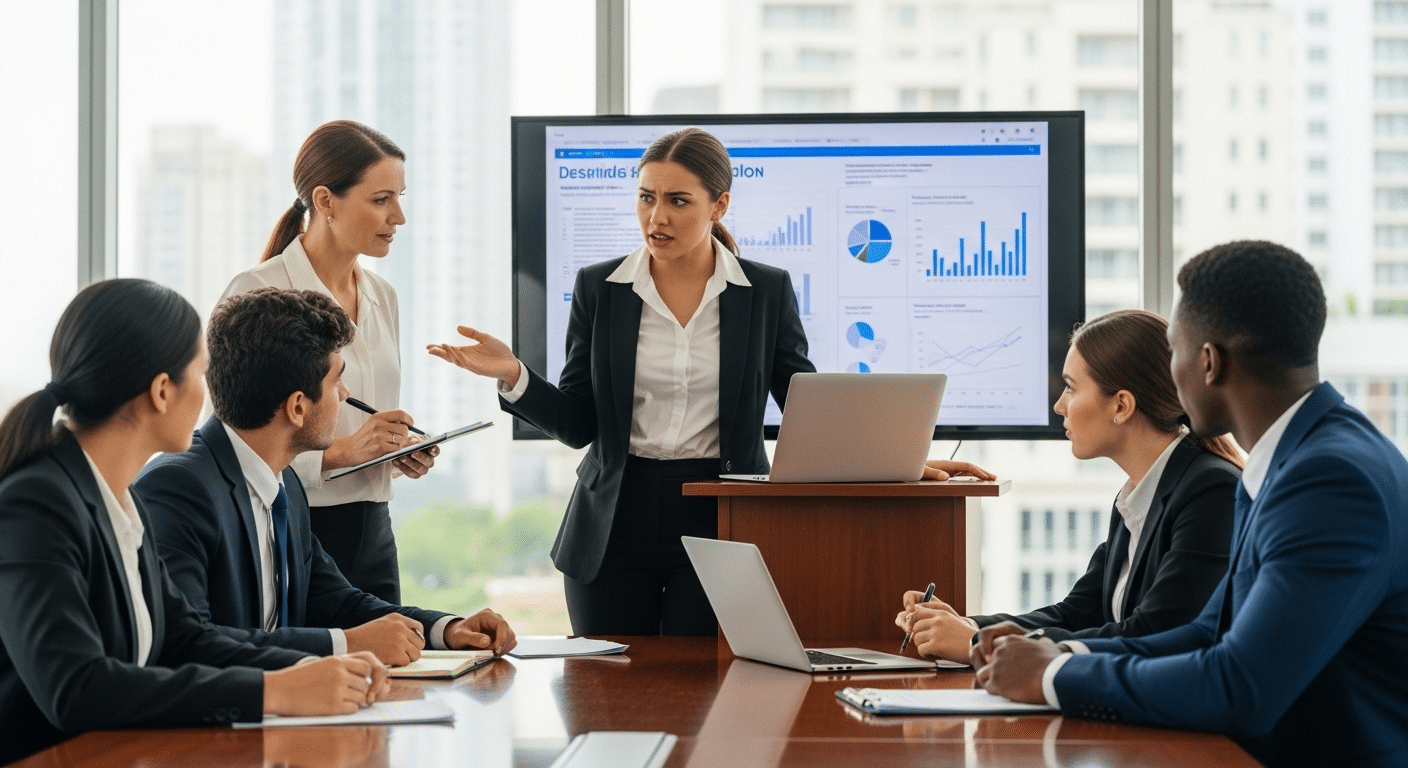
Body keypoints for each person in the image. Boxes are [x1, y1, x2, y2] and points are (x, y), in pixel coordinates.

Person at [975, 241, 1408, 768]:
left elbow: (1239, 687)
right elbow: (1210, 631)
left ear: (1207, 362)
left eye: (1173, 350)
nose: (1170, 373)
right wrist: (1060, 654)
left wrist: (1050, 677)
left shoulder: (1328, 479)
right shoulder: (1293, 458)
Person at [0, 279, 390, 764]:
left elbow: (187, 639)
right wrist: (272, 691)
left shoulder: (121, 501)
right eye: (202, 373)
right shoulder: (36, 503)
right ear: (162, 391)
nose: (212, 396)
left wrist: (317, 671)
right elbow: (77, 688)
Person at [135, 288, 516, 665]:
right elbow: (187, 641)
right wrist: (343, 646)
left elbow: (337, 602)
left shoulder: (285, 485)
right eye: (337, 382)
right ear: (298, 407)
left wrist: (445, 630)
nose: (345, 393)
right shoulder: (179, 487)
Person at [896, 310, 1242, 662]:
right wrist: (964, 625)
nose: (1059, 405)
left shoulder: (1210, 491)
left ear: (1121, 405)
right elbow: (1077, 613)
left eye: (1071, 388)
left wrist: (979, 643)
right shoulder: (1138, 495)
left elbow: (1154, 634)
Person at [221, 120, 431, 604]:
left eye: (400, 197)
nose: (398, 216)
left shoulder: (383, 296)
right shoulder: (257, 292)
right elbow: (232, 444)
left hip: (374, 527)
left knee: (394, 667)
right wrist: (343, 454)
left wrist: (398, 454)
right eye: (381, 200)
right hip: (294, 522)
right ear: (325, 201)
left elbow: (364, 423)